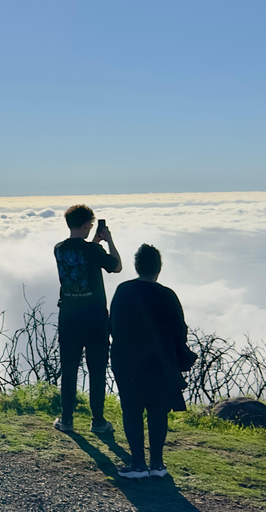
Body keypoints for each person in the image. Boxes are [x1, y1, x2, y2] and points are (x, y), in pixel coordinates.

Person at [110, 244, 195, 479]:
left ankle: (137, 463)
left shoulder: (123, 291)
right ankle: (157, 463)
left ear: (137, 267)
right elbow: (180, 331)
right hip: (161, 364)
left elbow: (114, 326)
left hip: (127, 362)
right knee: (158, 411)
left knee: (132, 410)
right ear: (159, 268)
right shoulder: (167, 295)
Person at [53, 204, 122, 433]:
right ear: (86, 225)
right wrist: (108, 240)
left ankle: (66, 419)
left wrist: (94, 241)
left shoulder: (59, 249)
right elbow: (116, 266)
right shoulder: (94, 252)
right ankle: (98, 421)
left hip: (69, 317)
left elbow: (79, 258)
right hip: (94, 318)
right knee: (97, 368)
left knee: (69, 367)